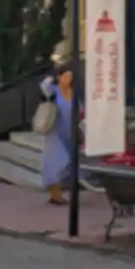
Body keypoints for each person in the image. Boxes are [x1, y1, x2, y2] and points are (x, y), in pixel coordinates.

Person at [39, 66, 79, 206]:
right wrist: (50, 76)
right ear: (59, 77)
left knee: (67, 163)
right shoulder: (54, 91)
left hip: (68, 131)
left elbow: (79, 109)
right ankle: (55, 194)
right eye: (66, 76)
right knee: (58, 161)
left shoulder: (72, 92)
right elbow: (44, 86)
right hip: (54, 132)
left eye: (70, 76)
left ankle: (56, 194)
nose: (68, 79)